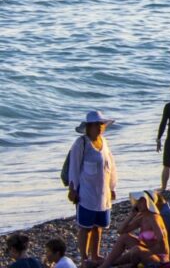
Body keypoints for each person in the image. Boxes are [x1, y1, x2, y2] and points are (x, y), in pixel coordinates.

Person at [66, 111, 117, 265]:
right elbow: (74, 167)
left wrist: (112, 187)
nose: (101, 127)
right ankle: (84, 258)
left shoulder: (104, 142)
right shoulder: (81, 143)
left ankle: (95, 255)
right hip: (87, 193)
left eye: (102, 124)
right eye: (97, 124)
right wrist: (72, 189)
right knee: (85, 227)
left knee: (98, 227)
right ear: (89, 126)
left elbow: (112, 166)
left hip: (103, 194)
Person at [93, 192, 169, 268]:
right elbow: (121, 231)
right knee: (124, 237)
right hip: (145, 252)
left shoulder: (154, 218)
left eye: (142, 201)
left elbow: (162, 246)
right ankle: (104, 265)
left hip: (159, 258)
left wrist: (142, 250)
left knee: (136, 250)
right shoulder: (142, 217)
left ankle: (104, 264)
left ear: (149, 203)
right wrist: (131, 215)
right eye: (138, 201)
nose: (138, 204)